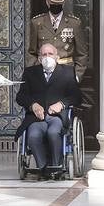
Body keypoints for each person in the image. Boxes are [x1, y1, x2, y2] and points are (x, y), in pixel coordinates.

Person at [16, 42, 80, 176]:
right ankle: (43, 168)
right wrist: (32, 105)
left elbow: (77, 97)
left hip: (57, 117)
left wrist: (61, 104)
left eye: (50, 54)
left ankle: (56, 166)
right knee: (33, 136)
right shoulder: (30, 73)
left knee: (53, 132)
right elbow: (21, 97)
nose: (47, 57)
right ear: (39, 58)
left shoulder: (67, 72)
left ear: (57, 56)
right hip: (36, 118)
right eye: (44, 54)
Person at [26, 0, 84, 71]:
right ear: (47, 1)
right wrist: (34, 72)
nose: (56, 5)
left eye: (58, 3)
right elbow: (32, 52)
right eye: (53, 3)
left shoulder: (74, 23)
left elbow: (81, 54)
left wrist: (77, 76)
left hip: (66, 70)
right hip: (43, 71)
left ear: (63, 3)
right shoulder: (37, 23)